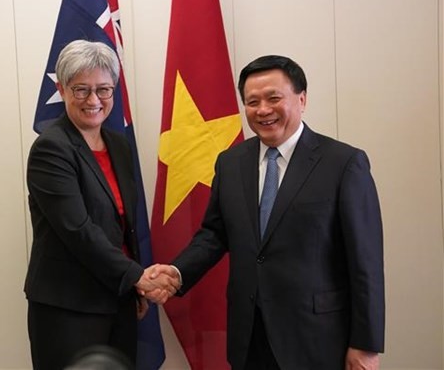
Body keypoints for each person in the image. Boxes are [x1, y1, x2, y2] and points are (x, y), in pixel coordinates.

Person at [150, 55, 385, 369]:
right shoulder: (230, 163)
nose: (263, 110)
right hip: (249, 338)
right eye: (252, 101)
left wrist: (366, 345)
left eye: (274, 98)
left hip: (317, 339)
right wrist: (176, 273)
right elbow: (214, 234)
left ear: (301, 99)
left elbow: (365, 262)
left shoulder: (343, 164)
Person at [24, 40, 178, 370]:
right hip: (68, 307)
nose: (93, 100)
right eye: (81, 90)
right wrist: (139, 277)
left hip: (118, 297)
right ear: (61, 88)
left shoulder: (119, 145)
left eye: (104, 89)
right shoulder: (50, 150)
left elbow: (125, 228)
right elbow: (77, 230)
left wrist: (131, 286)